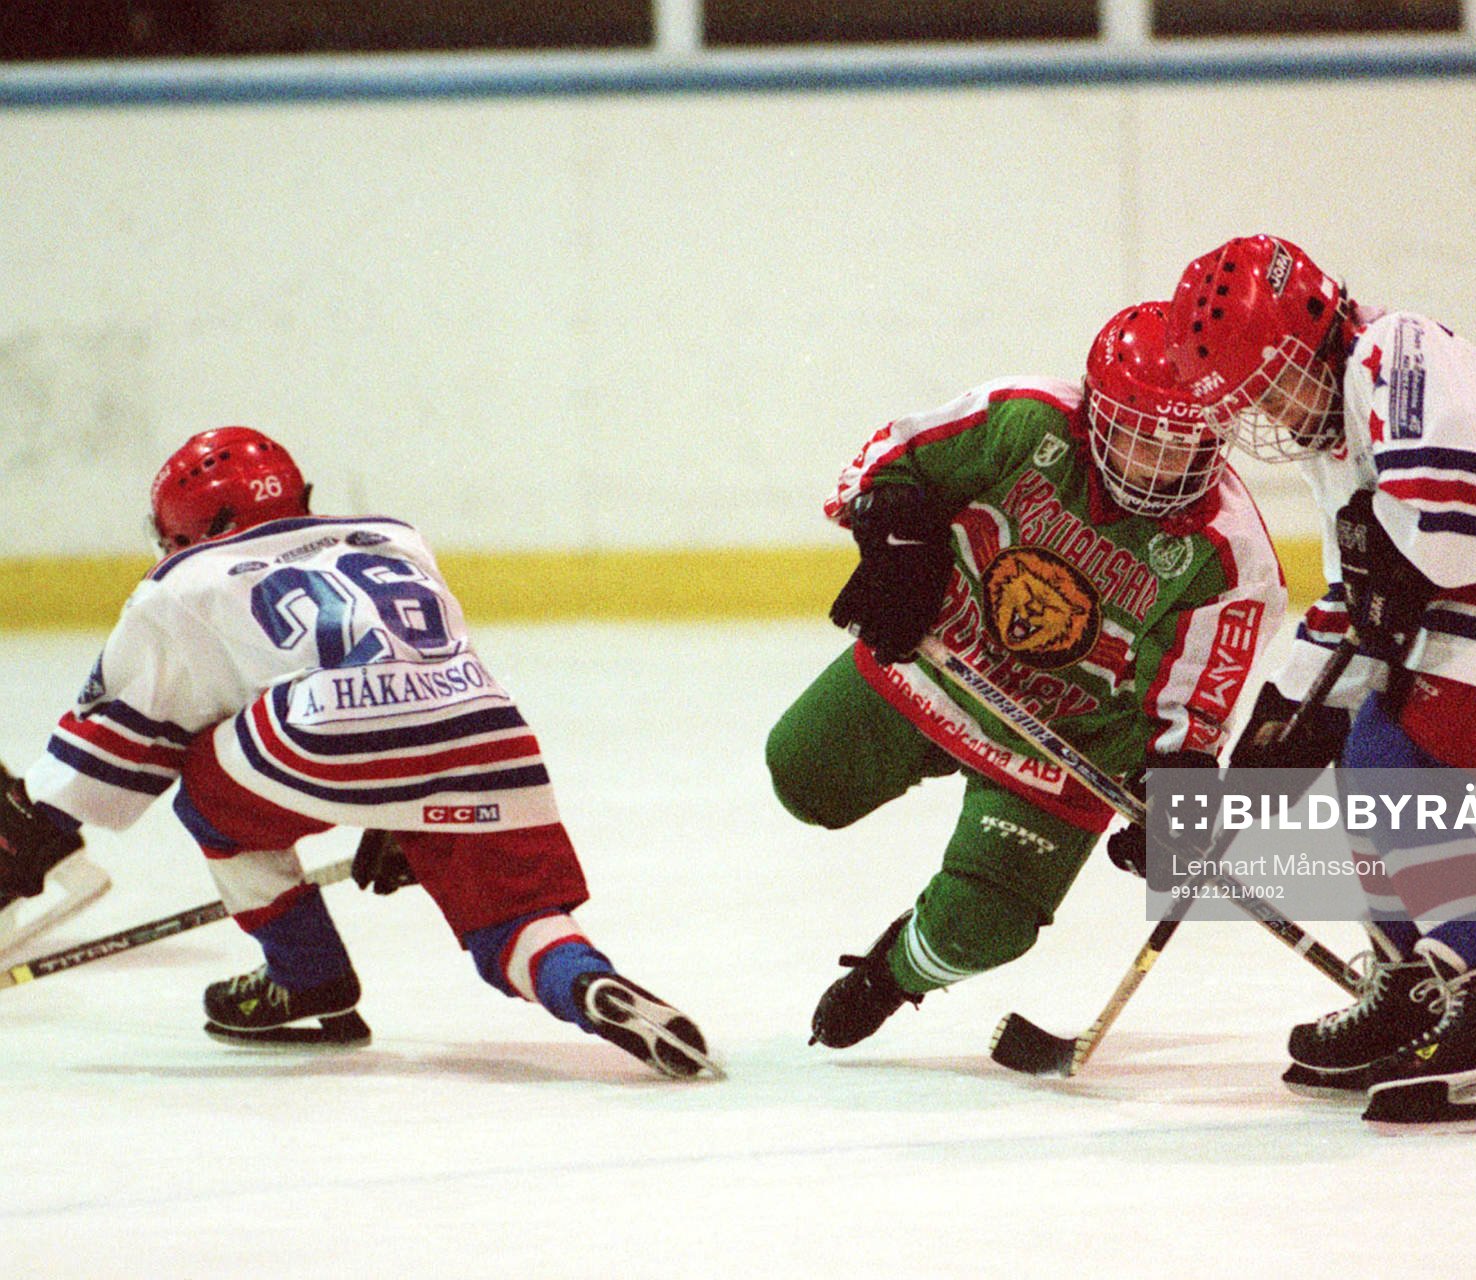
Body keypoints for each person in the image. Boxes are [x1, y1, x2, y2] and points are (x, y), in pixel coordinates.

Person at [0, 427, 710, 1078]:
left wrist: (33, 837)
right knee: (510, 918)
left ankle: (305, 974)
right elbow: (408, 688)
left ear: (194, 528)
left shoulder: (178, 586)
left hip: (325, 736)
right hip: (486, 725)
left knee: (208, 795)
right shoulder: (394, 538)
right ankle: (583, 981)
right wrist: (409, 815)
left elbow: (114, 751)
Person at [1165, 235, 1476, 1130]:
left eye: (1269, 386)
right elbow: (1361, 598)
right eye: (1246, 402)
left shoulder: (1397, 352)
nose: (1264, 412)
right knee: (1358, 758)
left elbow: (1455, 543)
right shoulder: (1341, 422)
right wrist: (1262, 752)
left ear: (1313, 335)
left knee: (1390, 768)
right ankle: (1418, 987)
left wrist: (1384, 569)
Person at [768, 302, 1282, 1049]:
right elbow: (889, 461)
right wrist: (895, 539)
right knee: (803, 774)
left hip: (1060, 747)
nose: (1166, 464)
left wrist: (1177, 793)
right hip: (940, 663)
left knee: (981, 929)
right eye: (1144, 439)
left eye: (1191, 442)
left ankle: (892, 971)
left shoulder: (1230, 558)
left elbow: (1193, 714)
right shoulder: (1028, 420)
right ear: (1096, 415)